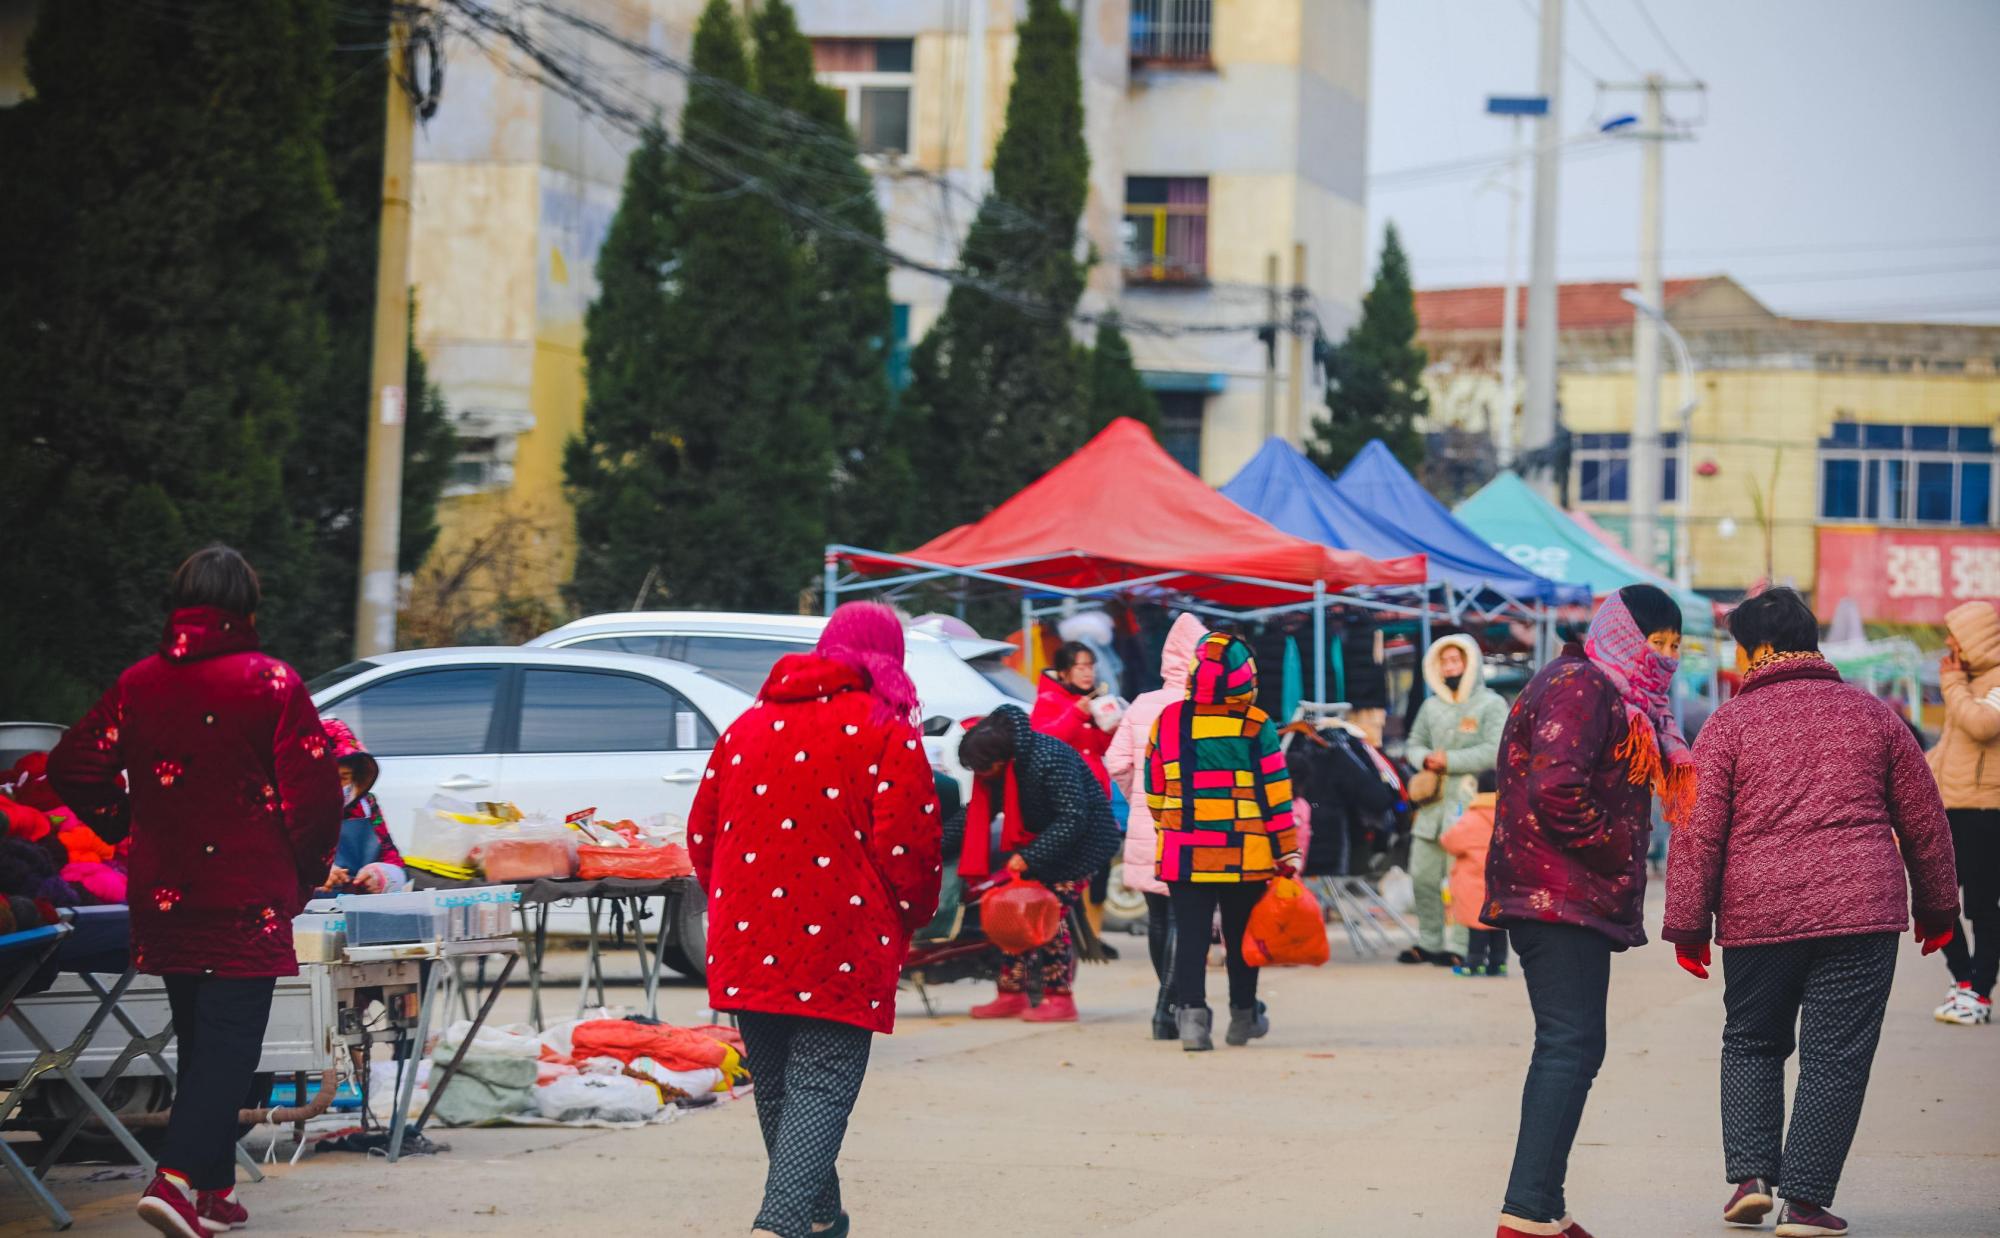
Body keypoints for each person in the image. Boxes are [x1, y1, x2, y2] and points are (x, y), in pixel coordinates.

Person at [47, 546, 343, 1238]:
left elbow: (72, 765)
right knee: (229, 1046)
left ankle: (211, 1187)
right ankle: (175, 1181)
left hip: (168, 893)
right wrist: (303, 870)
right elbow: (316, 795)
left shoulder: (139, 683)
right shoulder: (270, 683)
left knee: (199, 1039)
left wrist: (126, 825)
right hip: (248, 896)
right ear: (248, 607)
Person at [1664, 587, 1958, 1238]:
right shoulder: (1873, 716)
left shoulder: (1730, 724)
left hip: (1759, 911)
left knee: (1752, 1041)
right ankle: (1804, 1202)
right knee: (1837, 1056)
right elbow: (1925, 819)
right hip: (1861, 909)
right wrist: (1939, 907)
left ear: (1760, 650)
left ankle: (1750, 1179)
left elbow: (1697, 829)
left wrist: (1688, 925)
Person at [687, 602, 942, 1238]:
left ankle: (821, 1217)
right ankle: (779, 1225)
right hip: (844, 937)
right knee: (821, 1085)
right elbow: (908, 846)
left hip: (747, 936)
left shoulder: (746, 726)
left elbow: (702, 834)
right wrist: (911, 914)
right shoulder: (886, 729)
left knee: (777, 1088)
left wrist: (737, 897)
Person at [1484, 584, 1691, 1238]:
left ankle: (1542, 1207)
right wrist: (1619, 848)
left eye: (1674, 647)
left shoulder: (1614, 692)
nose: (1664, 658)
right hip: (1555, 893)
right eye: (1655, 642)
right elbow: (1556, 787)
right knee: (1569, 1045)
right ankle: (1525, 1212)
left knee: (1576, 1045)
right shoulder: (1585, 686)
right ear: (1625, 634)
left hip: (1568, 893)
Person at [1146, 632, 1300, 1052]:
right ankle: (1243, 1017)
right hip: (1245, 853)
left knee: (1192, 938)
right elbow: (1275, 791)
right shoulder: (1256, 723)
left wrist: (1169, 826)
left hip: (1183, 850)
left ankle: (1192, 1022)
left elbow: (1154, 788)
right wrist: (1286, 848)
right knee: (1240, 938)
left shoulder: (1169, 720)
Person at [947, 705, 1120, 1023]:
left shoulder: (1048, 758)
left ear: (999, 762)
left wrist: (1029, 857)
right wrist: (935, 842)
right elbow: (977, 813)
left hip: (1082, 846)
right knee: (1010, 912)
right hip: (1040, 845)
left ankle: (1060, 998)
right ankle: (1011, 993)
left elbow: (1073, 818)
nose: (980, 778)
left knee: (1047, 915)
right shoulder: (1003, 767)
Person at [1105, 613, 1208, 1040]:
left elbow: (1117, 762)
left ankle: (1167, 1005)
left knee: (1159, 917)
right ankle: (1170, 1006)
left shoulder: (1143, 703)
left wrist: (1138, 798)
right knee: (1187, 917)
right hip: (1192, 824)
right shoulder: (1206, 707)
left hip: (1148, 820)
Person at [1401, 633, 1507, 967]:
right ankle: (1429, 942)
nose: (1450, 667)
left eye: (1456, 660)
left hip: (1471, 807)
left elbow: (1496, 750)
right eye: (1444, 661)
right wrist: (1424, 759)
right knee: (1422, 876)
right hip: (1432, 806)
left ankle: (1461, 946)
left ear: (1470, 662)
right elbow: (1413, 742)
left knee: (1465, 880)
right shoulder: (1430, 706)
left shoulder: (1491, 704)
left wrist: (1450, 760)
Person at [1928, 599, 2000, 1026]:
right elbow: (1947, 752)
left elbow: (1982, 725)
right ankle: (1964, 980)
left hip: (1986, 812)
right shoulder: (1967, 682)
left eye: (1954, 636)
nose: (1948, 644)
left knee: (1982, 907)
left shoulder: (1992, 681)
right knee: (1935, 902)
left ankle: (1979, 991)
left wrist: (1953, 685)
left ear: (1974, 640)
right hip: (1952, 810)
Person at [319, 720, 407, 895]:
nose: (335, 786)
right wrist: (315, 875)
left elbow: (393, 861)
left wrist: (380, 877)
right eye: (325, 776)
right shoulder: (284, 811)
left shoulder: (366, 806)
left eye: (344, 777)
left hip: (359, 911)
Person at [1440, 772, 1504, 977]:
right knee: (1499, 925)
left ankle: (1474, 962)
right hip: (1500, 881)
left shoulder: (1472, 817)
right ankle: (1498, 962)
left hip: (1473, 882)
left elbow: (1450, 842)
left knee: (1477, 926)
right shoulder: (1507, 815)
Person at [1031, 639, 1114, 793]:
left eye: (1090, 667)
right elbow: (1044, 741)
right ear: (1063, 672)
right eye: (1081, 668)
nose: (1088, 673)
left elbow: (1101, 750)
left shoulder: (1093, 700)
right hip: (1066, 786)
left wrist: (1110, 728)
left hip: (1097, 786)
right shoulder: (1048, 699)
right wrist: (1076, 715)